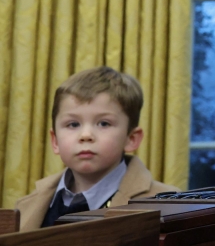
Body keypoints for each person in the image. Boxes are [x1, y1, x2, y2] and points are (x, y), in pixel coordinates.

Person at [15, 66, 178, 229]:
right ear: (55, 141)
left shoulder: (168, 206)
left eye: (104, 123)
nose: (86, 135)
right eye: (73, 124)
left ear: (131, 138)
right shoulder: (26, 206)